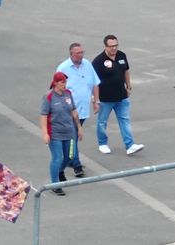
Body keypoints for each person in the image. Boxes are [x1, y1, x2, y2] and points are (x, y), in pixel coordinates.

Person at [93, 34, 143, 155]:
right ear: (105, 46)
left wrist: (128, 86)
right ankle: (102, 143)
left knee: (124, 120)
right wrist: (95, 99)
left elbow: (126, 70)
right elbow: (93, 81)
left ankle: (130, 145)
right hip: (106, 98)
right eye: (111, 46)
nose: (114, 48)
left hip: (122, 96)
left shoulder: (122, 55)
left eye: (116, 45)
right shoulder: (98, 61)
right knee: (102, 122)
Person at [56, 42, 99, 178]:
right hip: (69, 110)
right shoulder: (63, 68)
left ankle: (69, 157)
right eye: (78, 53)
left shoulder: (87, 64)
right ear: (71, 54)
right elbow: (56, 89)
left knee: (72, 137)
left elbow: (95, 83)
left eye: (82, 52)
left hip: (83, 109)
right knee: (73, 136)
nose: (81, 55)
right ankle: (77, 165)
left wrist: (96, 101)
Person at [39, 72, 82, 195]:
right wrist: (45, 133)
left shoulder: (68, 94)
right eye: (62, 82)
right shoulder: (49, 97)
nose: (65, 84)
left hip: (69, 132)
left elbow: (73, 111)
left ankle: (59, 171)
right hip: (55, 133)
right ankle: (55, 184)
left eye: (65, 82)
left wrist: (79, 127)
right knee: (58, 158)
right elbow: (43, 115)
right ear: (56, 83)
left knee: (70, 157)